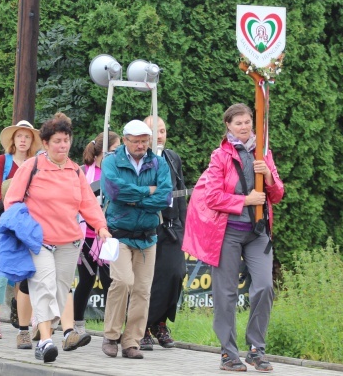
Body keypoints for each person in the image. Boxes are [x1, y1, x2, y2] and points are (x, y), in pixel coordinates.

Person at [182, 103, 284, 372]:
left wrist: (269, 179)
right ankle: (228, 354)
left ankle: (255, 350)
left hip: (258, 232)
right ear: (228, 125)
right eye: (238, 123)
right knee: (225, 294)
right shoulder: (220, 156)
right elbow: (213, 197)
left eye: (247, 121)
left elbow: (277, 194)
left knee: (264, 287)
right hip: (226, 233)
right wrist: (244, 200)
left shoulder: (263, 152)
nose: (244, 126)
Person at [4, 113, 111, 363]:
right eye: (57, 141)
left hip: (70, 241)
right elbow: (12, 200)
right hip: (39, 240)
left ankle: (49, 331)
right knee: (44, 286)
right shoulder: (33, 167)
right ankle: (44, 340)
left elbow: (88, 203)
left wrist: (102, 227)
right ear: (45, 143)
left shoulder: (75, 171)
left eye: (66, 140)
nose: (63, 146)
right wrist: (24, 228)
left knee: (61, 291)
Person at [100, 120, 172, 360]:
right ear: (125, 140)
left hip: (148, 237)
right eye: (136, 140)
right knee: (122, 282)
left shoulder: (158, 163)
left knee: (142, 290)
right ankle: (111, 335)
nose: (140, 145)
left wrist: (135, 198)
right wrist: (147, 191)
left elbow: (164, 197)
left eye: (144, 140)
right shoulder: (111, 161)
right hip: (118, 233)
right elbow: (115, 192)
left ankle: (131, 341)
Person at [0, 120, 42, 341]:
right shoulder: (3, 160)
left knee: (29, 277)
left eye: (27, 137)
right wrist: (11, 214)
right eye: (19, 136)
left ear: (31, 141)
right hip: (4, 225)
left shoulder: (37, 163)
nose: (22, 140)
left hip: (28, 226)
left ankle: (29, 322)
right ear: (13, 139)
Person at [139, 116, 187, 350]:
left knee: (176, 274)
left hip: (172, 228)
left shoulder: (172, 158)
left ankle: (161, 322)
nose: (159, 136)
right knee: (149, 279)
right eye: (153, 131)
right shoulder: (139, 159)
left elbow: (181, 193)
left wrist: (184, 227)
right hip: (147, 227)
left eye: (162, 130)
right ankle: (144, 326)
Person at [72, 131, 120, 333]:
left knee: (112, 282)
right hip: (87, 237)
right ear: (102, 152)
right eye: (115, 151)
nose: (118, 155)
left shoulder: (117, 172)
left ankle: (111, 328)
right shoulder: (83, 172)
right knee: (86, 281)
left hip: (109, 235)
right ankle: (77, 323)